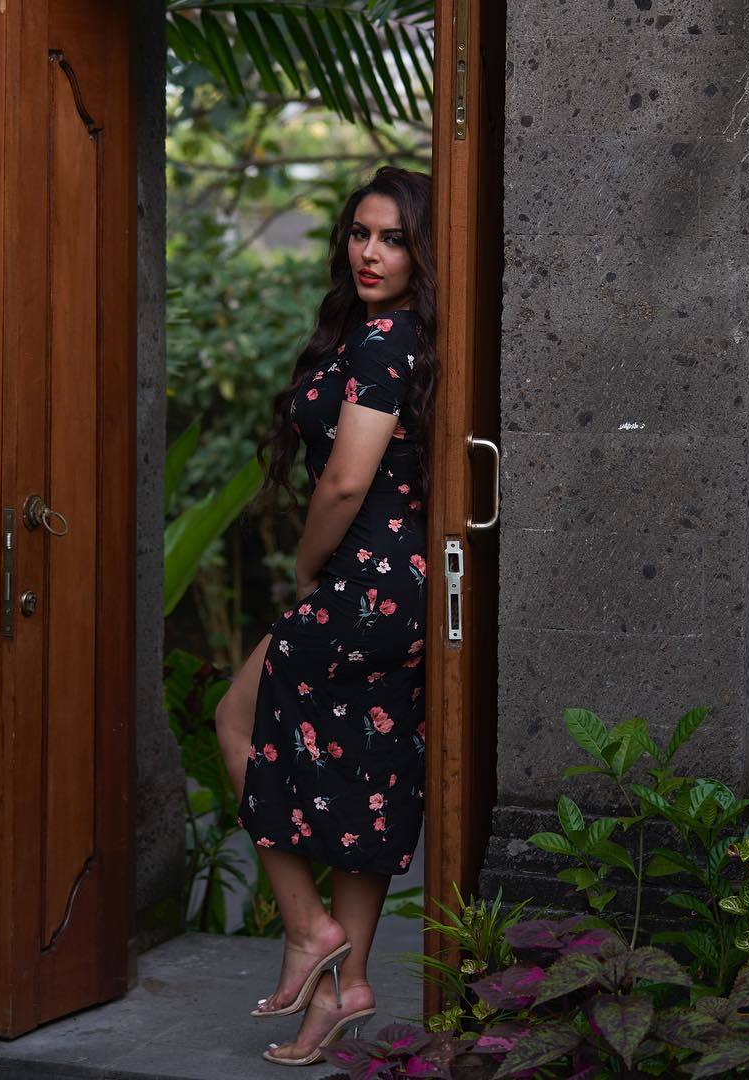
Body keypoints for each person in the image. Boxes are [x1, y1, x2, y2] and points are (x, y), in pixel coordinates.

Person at [214, 165, 438, 1066]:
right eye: (360, 233)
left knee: (235, 720)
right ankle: (345, 991)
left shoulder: (384, 342)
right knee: (365, 777)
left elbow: (346, 481)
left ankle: (308, 928)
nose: (370, 253)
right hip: (403, 589)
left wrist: (310, 567)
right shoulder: (406, 336)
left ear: (422, 251)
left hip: (363, 583)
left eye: (394, 239)